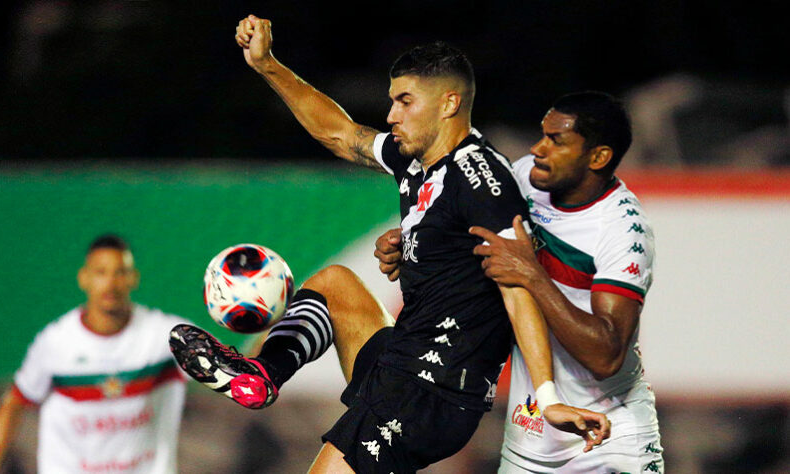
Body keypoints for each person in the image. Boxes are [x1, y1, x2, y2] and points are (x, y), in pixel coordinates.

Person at [168, 14, 609, 474]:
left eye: (404, 101)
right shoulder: (418, 162)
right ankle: (262, 375)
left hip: (431, 389)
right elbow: (340, 134)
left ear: (448, 104)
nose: (391, 114)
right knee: (336, 284)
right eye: (391, 100)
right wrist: (267, 65)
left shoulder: (482, 180)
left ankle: (262, 377)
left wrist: (548, 398)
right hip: (402, 361)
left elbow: (519, 288)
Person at [376, 91, 664, 473]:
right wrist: (411, 242)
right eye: (542, 134)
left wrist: (533, 273)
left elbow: (606, 356)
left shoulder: (623, 230)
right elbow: (466, 232)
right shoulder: (524, 178)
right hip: (532, 432)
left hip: (611, 436)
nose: (537, 149)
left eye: (556, 141)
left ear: (598, 157)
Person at [0, 234, 189, 474]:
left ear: (134, 278)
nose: (110, 283)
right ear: (84, 278)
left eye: (120, 272)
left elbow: (229, 371)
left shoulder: (167, 337)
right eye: (101, 272)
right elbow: (14, 403)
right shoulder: (56, 343)